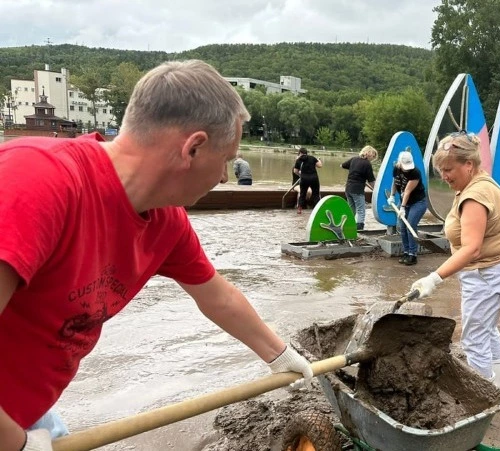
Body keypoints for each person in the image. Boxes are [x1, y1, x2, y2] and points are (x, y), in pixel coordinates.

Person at [0, 60, 314, 451]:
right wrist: (18, 444)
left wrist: (280, 357)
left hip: (28, 414)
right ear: (193, 147)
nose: (224, 178)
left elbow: (217, 296)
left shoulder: (166, 221)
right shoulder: (38, 181)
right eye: (225, 160)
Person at [409, 132, 500, 390]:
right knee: (487, 329)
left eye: (449, 169)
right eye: (441, 171)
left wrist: (434, 278)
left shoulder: (475, 195)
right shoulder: (478, 183)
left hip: (487, 272)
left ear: (468, 165)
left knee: (474, 340)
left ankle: (483, 400)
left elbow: (472, 248)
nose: (445, 176)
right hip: (499, 269)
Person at [390, 150, 427, 265]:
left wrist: (402, 207)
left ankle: (413, 255)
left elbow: (407, 191)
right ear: (400, 163)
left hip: (418, 202)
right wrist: (391, 195)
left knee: (410, 225)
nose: (407, 168)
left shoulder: (415, 172)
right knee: (402, 227)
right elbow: (395, 182)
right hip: (405, 203)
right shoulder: (396, 168)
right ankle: (406, 252)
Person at [341, 146, 377, 231]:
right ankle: (359, 228)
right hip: (358, 189)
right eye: (373, 156)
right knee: (361, 209)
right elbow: (371, 180)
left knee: (351, 208)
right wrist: (376, 190)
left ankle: (347, 225)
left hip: (348, 188)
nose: (373, 158)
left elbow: (342, 165)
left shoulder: (354, 159)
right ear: (369, 153)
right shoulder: (367, 164)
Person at [293, 147, 322, 214]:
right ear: (306, 152)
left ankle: (299, 209)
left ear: (300, 153)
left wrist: (301, 175)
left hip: (304, 179)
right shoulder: (312, 158)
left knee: (302, 194)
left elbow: (295, 171)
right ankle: (317, 209)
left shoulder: (298, 160)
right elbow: (320, 165)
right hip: (314, 179)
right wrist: (319, 160)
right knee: (316, 194)